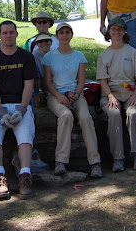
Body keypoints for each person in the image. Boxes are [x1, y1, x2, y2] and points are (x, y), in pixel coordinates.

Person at [0, 21, 38, 200]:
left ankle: (24, 175)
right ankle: (0, 177)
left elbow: (29, 85)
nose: (8, 35)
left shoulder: (26, 57)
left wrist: (22, 109)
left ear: (16, 34)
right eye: (4, 33)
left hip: (20, 105)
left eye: (11, 32)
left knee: (25, 134)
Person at [43, 22, 102, 178]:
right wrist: (60, 96)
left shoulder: (79, 56)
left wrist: (75, 95)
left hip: (76, 94)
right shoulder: (49, 56)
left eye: (67, 32)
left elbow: (81, 81)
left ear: (71, 35)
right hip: (55, 95)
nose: (64, 35)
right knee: (66, 116)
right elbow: (48, 82)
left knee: (86, 118)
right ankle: (60, 161)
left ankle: (95, 162)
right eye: (61, 33)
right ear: (56, 36)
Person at [96, 18, 136, 172]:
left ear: (125, 32)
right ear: (109, 32)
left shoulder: (132, 52)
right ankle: (117, 157)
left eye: (119, 29)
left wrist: (135, 95)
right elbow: (103, 82)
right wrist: (110, 96)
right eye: (113, 29)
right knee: (114, 114)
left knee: (132, 113)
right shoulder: (103, 55)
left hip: (131, 91)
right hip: (110, 93)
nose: (116, 32)